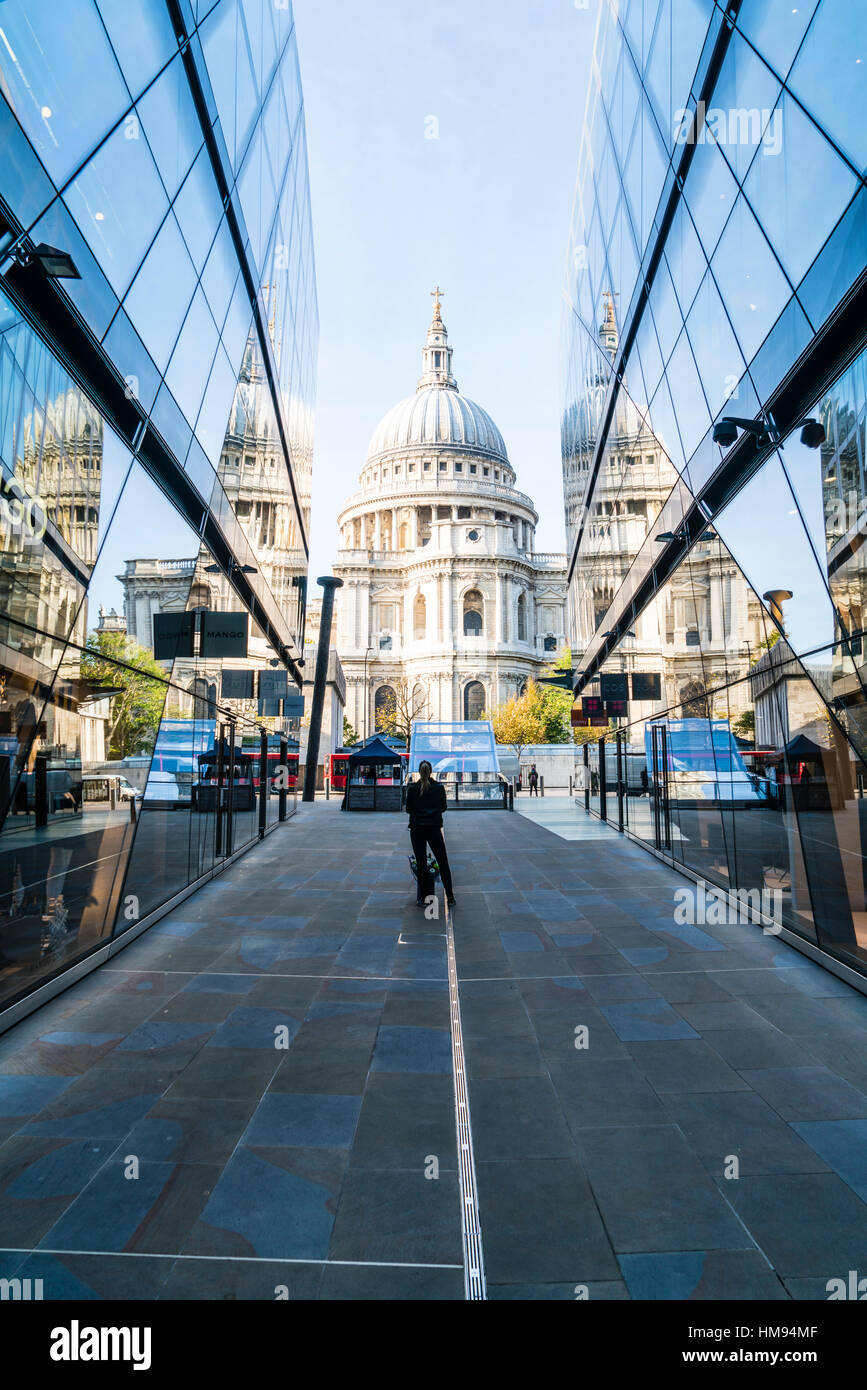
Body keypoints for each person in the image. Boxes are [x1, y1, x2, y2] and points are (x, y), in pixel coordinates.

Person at [405, 760, 455, 906]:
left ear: (420, 772)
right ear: (431, 771)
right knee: (442, 861)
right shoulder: (439, 788)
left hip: (417, 829)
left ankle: (423, 897)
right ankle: (450, 896)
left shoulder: (413, 788)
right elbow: (443, 807)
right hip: (434, 828)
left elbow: (408, 809)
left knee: (421, 863)